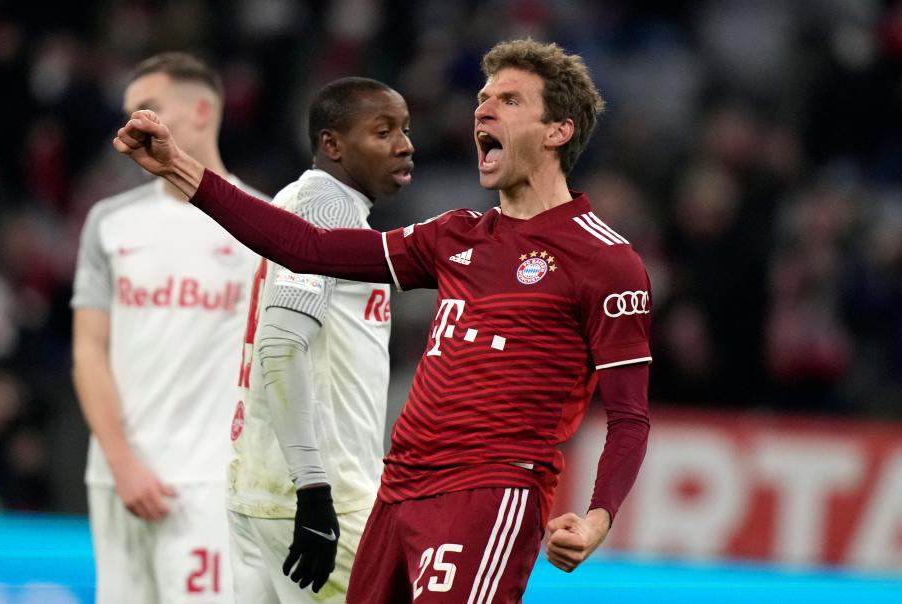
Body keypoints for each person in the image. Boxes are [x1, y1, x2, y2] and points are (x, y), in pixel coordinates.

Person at [114, 38, 652, 604]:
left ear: (557, 131)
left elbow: (629, 416)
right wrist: (178, 167)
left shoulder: (605, 261)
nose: (483, 110)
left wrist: (598, 518)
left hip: (487, 491)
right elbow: (307, 247)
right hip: (397, 491)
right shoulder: (455, 234)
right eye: (483, 96)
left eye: (510, 101)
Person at [72, 52, 264, 604]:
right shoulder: (110, 223)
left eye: (149, 109)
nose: (133, 125)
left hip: (211, 486)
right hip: (116, 480)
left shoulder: (265, 223)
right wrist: (123, 463)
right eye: (128, 114)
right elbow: (89, 350)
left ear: (202, 111)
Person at [226, 77, 413, 602]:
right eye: (383, 131)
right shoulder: (322, 208)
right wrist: (313, 490)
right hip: (318, 496)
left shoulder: (307, 205)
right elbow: (281, 346)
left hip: (265, 489)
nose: (404, 144)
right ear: (332, 145)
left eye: (404, 130)